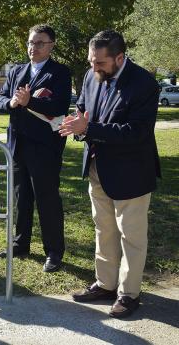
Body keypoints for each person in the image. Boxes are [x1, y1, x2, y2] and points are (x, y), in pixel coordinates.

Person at [59, 30, 161, 318]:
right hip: (97, 168)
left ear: (119, 57)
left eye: (100, 63)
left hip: (131, 172)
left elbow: (137, 133)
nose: (94, 69)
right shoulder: (92, 76)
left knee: (132, 236)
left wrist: (88, 129)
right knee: (103, 229)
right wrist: (77, 124)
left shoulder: (144, 84)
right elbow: (84, 111)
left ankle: (129, 294)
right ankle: (105, 284)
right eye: (91, 62)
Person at [0, 24, 71, 272]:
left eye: (39, 43)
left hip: (45, 147)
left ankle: (53, 252)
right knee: (20, 198)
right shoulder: (17, 70)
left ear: (51, 46)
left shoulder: (59, 72)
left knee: (47, 199)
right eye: (30, 42)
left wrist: (31, 101)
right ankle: (20, 244)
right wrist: (12, 102)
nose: (33, 48)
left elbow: (59, 106)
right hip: (17, 145)